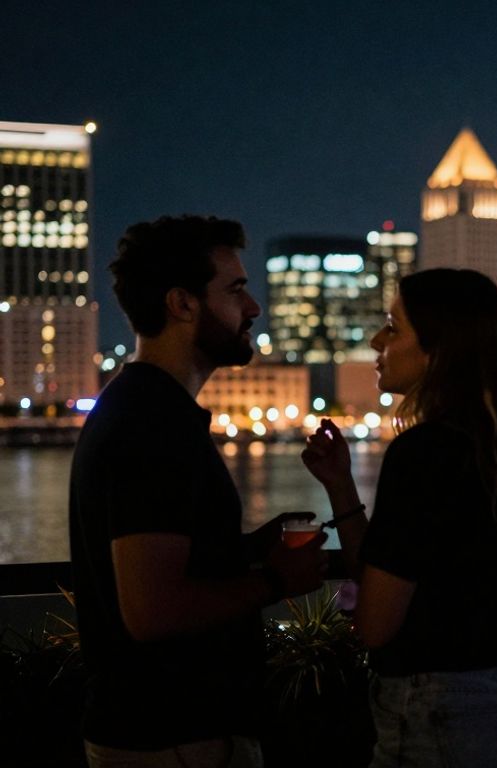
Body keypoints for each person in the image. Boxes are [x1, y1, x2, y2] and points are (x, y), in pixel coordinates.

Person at [70, 215, 327, 768]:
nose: (253, 307)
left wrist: (253, 547)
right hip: (172, 741)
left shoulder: (143, 408)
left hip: (162, 733)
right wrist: (278, 578)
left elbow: (168, 566)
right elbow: (151, 610)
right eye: (235, 290)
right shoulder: (152, 422)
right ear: (182, 303)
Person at [300, 268, 497, 767]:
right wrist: (341, 486)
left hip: (438, 713)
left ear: (440, 350)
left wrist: (349, 605)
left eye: (394, 327)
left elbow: (377, 624)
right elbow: (404, 567)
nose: (377, 340)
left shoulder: (424, 451)